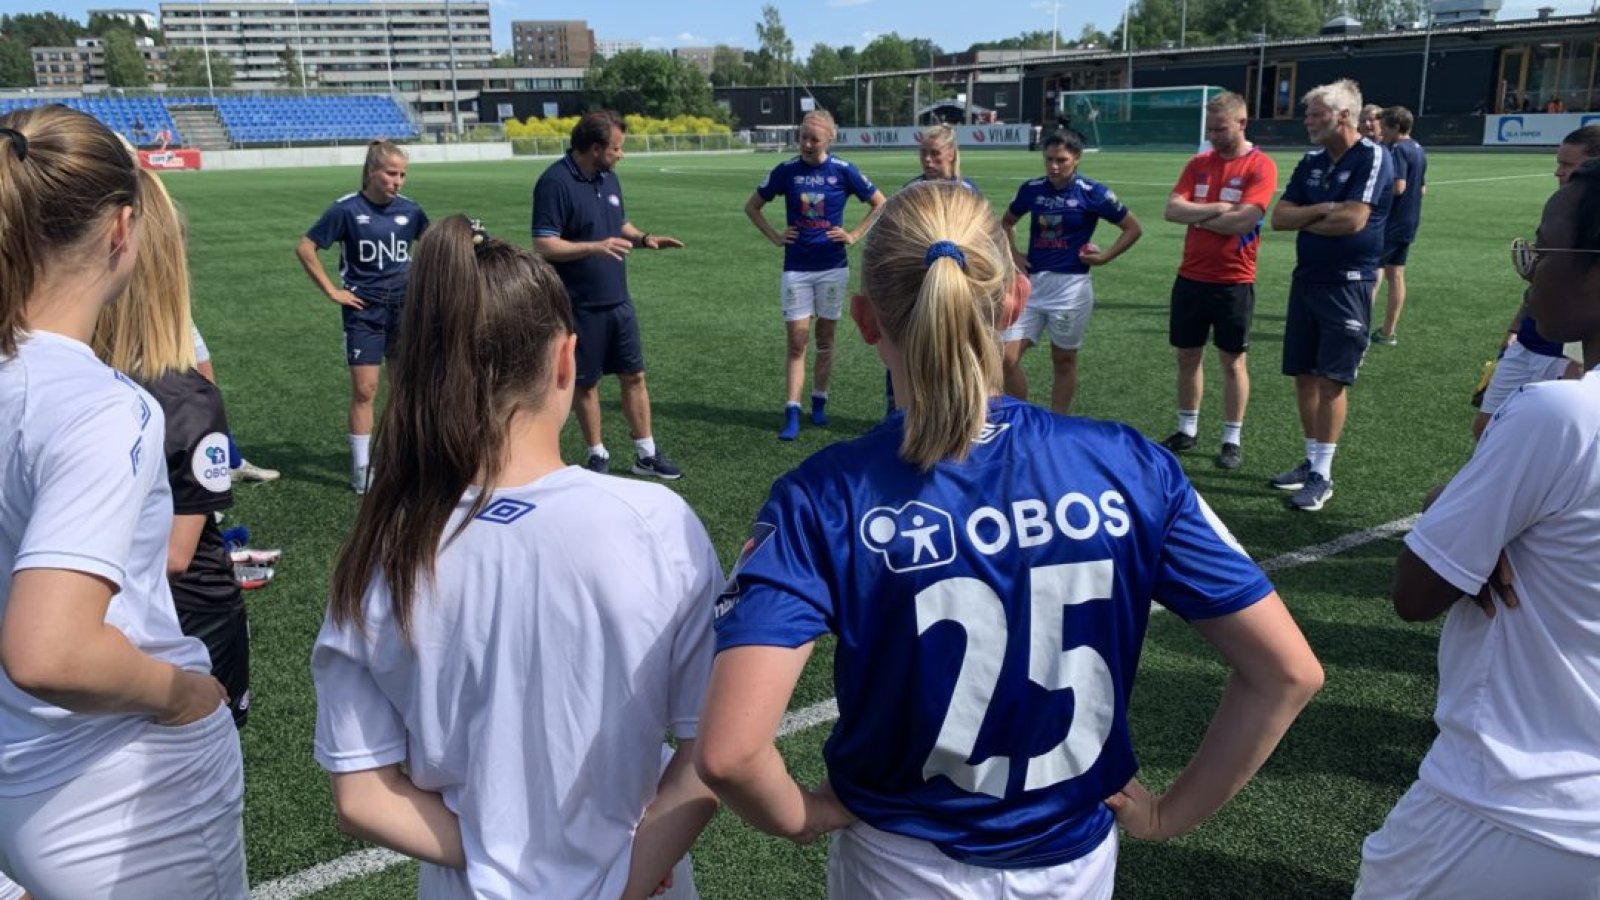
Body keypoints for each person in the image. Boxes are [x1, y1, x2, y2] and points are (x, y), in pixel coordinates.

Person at [695, 180, 1323, 899]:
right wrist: (1165, 815)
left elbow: (730, 752)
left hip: (900, 867)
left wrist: (804, 814)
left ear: (866, 319)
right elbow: (1287, 673)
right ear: (1017, 300)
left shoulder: (822, 495)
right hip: (1072, 868)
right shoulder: (1128, 464)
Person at [312, 216, 720, 898]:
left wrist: (501, 859)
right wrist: (620, 880)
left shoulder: (383, 546)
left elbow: (361, 795)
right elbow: (717, 749)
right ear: (566, 360)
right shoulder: (655, 523)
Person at [0, 105, 244, 898]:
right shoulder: (103, 405)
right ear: (121, 230)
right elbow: (50, 651)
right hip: (112, 772)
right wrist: (185, 696)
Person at [1355, 162, 1600, 900]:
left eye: (1543, 249)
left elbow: (1419, 590)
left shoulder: (1557, 416)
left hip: (1506, 803)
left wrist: (1457, 509)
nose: (1529, 270)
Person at [95, 167, 252, 730]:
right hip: (149, 613)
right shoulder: (174, 395)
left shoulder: (183, 398)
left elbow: (178, 557)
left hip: (186, 616)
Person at [533, 110, 684, 478]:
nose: (622, 154)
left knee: (635, 375)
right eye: (617, 148)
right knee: (586, 383)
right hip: (578, 303)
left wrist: (645, 239)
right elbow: (544, 245)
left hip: (618, 300)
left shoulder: (608, 178)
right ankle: (597, 454)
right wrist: (594, 246)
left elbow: (620, 224)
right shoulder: (554, 182)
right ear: (596, 147)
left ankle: (645, 453)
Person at [1268, 79, 1394, 512]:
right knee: (1304, 375)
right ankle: (1310, 460)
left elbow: (1354, 221)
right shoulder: (1311, 160)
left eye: (1315, 114)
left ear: (1343, 116)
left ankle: (1323, 474)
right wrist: (1323, 210)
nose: (1308, 122)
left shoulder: (1373, 156)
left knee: (1331, 380)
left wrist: (1311, 216)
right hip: (1307, 279)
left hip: (1348, 282)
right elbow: (1279, 218)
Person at [295, 140, 429, 494]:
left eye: (402, 174)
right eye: (391, 173)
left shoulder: (412, 211)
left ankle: (403, 458)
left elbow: (434, 247)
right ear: (372, 171)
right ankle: (361, 468)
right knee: (365, 390)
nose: (398, 181)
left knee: (405, 390)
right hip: (364, 311)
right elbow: (306, 247)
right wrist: (331, 291)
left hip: (404, 309)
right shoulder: (346, 210)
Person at [744, 109, 887, 440]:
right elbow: (752, 206)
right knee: (797, 341)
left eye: (814, 139)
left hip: (832, 269)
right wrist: (777, 236)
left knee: (825, 339)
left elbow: (880, 203)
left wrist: (853, 234)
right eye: (803, 137)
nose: (807, 144)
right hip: (796, 269)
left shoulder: (843, 171)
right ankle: (792, 411)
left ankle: (819, 403)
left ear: (829, 140)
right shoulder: (786, 171)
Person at [1160, 90, 1279, 471]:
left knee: (1232, 362)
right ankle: (1187, 428)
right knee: (1187, 356)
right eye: (1209, 128)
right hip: (1190, 276)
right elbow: (1171, 209)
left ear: (1241, 123)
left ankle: (1232, 437)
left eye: (1220, 128)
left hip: (1233, 280)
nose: (1212, 135)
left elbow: (1244, 221)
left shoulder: (1260, 165)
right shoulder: (1198, 164)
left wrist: (1195, 216)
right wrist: (1214, 211)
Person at [1001, 130, 1142, 413]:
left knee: (1063, 360)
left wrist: (1103, 258)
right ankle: (1020, 418)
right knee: (1005, 358)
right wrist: (1014, 256)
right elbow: (1005, 224)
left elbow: (1132, 228)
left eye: (1061, 160)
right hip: (1030, 286)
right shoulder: (1031, 189)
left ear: (1076, 159)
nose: (1054, 166)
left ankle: (1057, 421)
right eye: (1049, 159)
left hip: (1071, 289)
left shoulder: (1094, 193)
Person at [1471, 125, 1598, 439]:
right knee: (1485, 428)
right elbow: (1540, 285)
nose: (1559, 172)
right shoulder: (1562, 208)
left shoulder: (1586, 220)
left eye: (1569, 165)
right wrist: (1515, 327)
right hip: (1529, 338)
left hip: (1563, 350)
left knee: (1542, 436)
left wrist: (1578, 362)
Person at [1372, 106, 1427, 346]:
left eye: (1384, 126)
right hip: (1409, 221)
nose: (1381, 131)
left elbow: (1398, 186)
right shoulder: (1419, 149)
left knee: (1374, 271)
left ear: (1396, 127)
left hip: (1391, 222)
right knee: (1396, 274)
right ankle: (1388, 331)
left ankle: (1357, 325)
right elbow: (1422, 189)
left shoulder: (1397, 149)